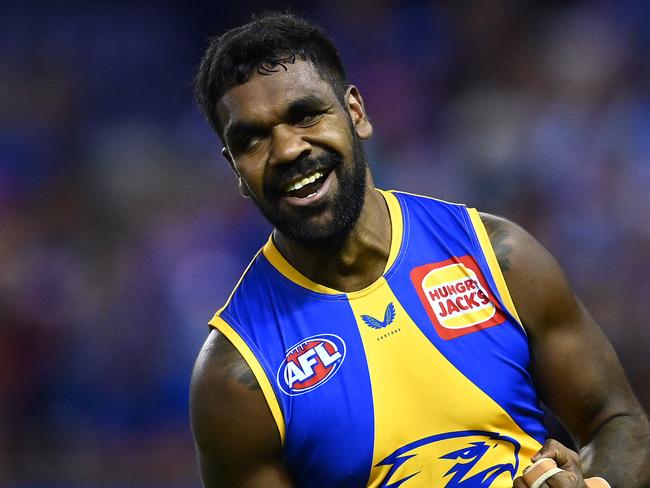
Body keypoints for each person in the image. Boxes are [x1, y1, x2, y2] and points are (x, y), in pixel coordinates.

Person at [189, 12, 650, 488]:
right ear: (236, 169)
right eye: (252, 138)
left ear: (356, 113)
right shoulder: (237, 376)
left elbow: (617, 423)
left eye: (304, 114)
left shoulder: (498, 257)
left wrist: (595, 484)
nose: (286, 149)